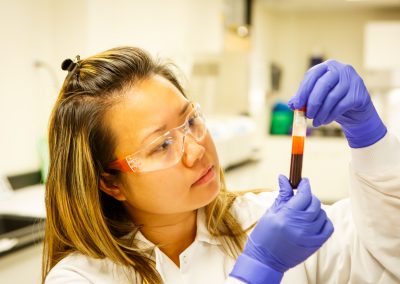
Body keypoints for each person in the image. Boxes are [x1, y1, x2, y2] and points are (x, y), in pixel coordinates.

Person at [42, 46, 400, 284]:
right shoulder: (80, 278)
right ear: (111, 182)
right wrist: (258, 269)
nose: (197, 150)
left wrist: (369, 137)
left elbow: (387, 261)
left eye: (191, 121)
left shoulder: (265, 223)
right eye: (162, 145)